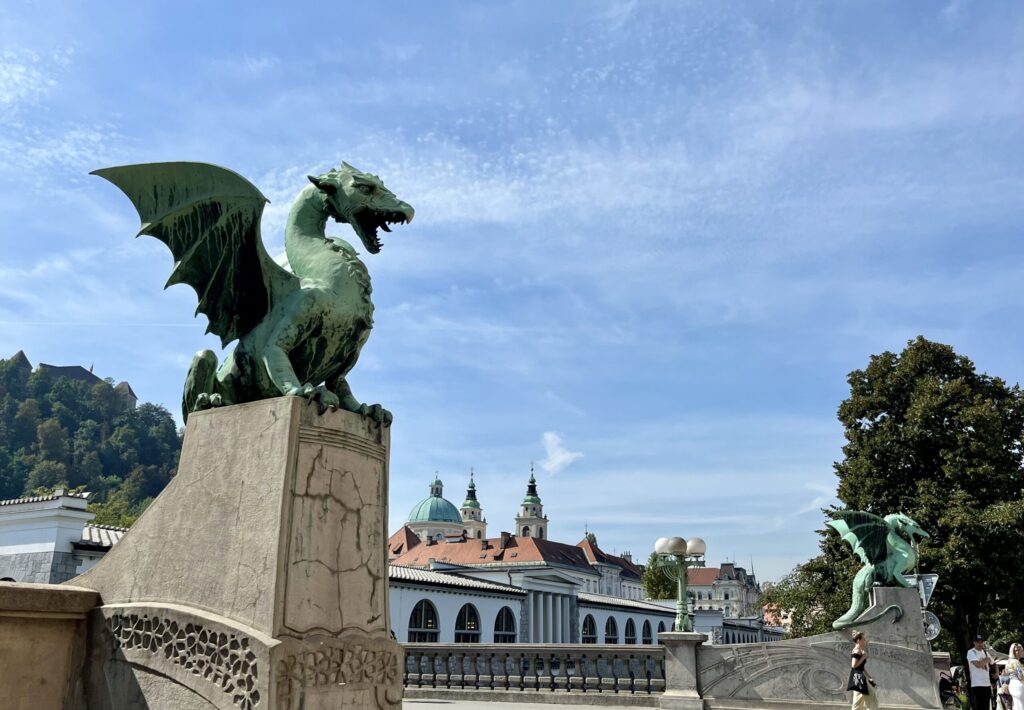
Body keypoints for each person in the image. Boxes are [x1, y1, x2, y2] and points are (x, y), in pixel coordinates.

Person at [849, 631, 879, 710]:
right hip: (859, 679)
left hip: (859, 678)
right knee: (872, 700)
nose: (865, 641)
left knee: (858, 703)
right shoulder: (856, 650)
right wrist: (863, 657)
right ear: (858, 640)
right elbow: (853, 665)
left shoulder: (859, 650)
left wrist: (869, 677)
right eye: (863, 639)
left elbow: (861, 667)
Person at [967, 634, 994, 710]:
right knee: (979, 706)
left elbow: (994, 663)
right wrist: (986, 660)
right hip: (977, 684)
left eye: (981, 641)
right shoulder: (971, 652)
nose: (980, 643)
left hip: (987, 684)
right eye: (978, 642)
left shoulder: (985, 652)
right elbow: (978, 665)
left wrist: (997, 674)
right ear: (974, 643)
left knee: (986, 707)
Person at [1006, 643, 1024, 709]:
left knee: (1016, 706)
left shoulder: (1010, 661)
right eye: (1022, 650)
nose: (1023, 652)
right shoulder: (1015, 662)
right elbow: (1021, 676)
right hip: (1019, 686)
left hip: (1014, 685)